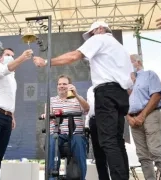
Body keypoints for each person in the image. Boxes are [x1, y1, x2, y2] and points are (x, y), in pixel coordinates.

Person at [33, 21, 133, 180]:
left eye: (92, 33)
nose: (91, 37)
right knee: (117, 142)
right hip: (121, 94)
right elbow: (130, 81)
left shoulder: (100, 38)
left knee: (108, 142)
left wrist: (47, 62)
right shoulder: (120, 48)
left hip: (106, 92)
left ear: (100, 29)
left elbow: (74, 56)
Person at [0, 48, 33, 180]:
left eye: (12, 56)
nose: (10, 57)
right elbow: (6, 69)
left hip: (6, 117)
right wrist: (22, 57)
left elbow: (9, 98)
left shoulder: (13, 79)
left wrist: (11, 116)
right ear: (0, 58)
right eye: (7, 55)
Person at [126, 54, 161, 180]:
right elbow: (122, 103)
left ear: (138, 62)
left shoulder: (149, 75)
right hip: (133, 119)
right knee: (142, 156)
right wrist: (128, 117)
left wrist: (143, 115)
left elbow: (157, 95)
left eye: (129, 62)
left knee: (155, 152)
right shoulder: (126, 83)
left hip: (150, 115)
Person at [42, 75, 89, 180]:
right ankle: (51, 178)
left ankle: (81, 177)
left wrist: (75, 94)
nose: (61, 86)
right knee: (52, 141)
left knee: (79, 141)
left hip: (75, 133)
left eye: (64, 84)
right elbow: (46, 113)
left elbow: (86, 108)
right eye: (59, 84)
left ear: (70, 86)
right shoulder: (51, 100)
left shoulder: (77, 99)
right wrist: (46, 115)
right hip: (58, 133)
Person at [85, 85, 109, 180]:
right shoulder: (90, 89)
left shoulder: (109, 86)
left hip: (107, 120)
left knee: (112, 152)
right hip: (93, 121)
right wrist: (87, 124)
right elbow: (89, 108)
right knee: (99, 155)